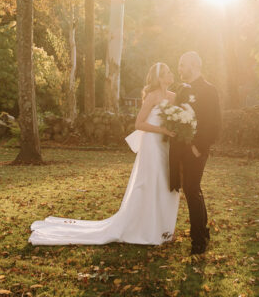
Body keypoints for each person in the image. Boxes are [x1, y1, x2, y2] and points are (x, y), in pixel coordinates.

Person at [28, 62, 181, 246]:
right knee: (151, 183)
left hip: (167, 146)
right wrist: (162, 130)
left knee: (165, 183)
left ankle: (164, 228)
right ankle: (146, 227)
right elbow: (139, 124)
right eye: (168, 72)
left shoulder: (174, 97)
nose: (171, 74)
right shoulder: (151, 96)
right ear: (159, 78)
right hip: (153, 145)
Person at [169, 51, 222, 255]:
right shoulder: (181, 89)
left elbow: (213, 123)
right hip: (180, 148)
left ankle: (198, 241)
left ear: (194, 65)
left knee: (191, 189)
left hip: (196, 149)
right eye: (179, 65)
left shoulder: (209, 90)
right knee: (192, 189)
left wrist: (198, 147)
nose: (180, 69)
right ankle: (203, 231)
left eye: (182, 65)